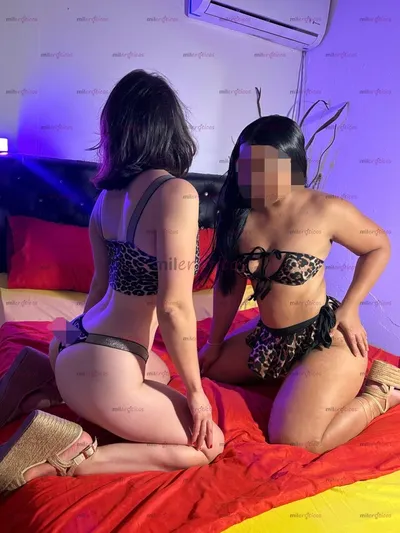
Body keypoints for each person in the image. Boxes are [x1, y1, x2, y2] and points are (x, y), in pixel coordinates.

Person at [0, 69, 224, 494]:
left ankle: (41, 374)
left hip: (68, 339)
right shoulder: (178, 193)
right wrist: (197, 395)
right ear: (170, 127)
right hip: (106, 365)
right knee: (208, 446)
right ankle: (73, 456)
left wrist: (69, 357)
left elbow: (98, 288)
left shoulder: (106, 199)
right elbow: (174, 307)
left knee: (159, 372)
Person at [196, 115, 400, 454]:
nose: (254, 177)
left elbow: (378, 246)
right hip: (269, 338)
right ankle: (293, 379)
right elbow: (229, 286)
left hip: (322, 338)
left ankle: (380, 394)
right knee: (206, 368)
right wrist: (214, 343)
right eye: (246, 166)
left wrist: (350, 308)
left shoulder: (325, 209)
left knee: (293, 439)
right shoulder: (239, 214)